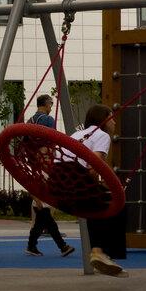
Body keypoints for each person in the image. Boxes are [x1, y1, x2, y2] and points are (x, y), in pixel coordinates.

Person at [56, 104, 127, 277]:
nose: (115, 122)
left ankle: (98, 251)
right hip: (75, 179)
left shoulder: (76, 134)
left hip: (58, 183)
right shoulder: (102, 135)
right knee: (117, 205)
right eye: (112, 118)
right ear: (105, 119)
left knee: (94, 204)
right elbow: (93, 166)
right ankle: (102, 253)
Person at [26, 95, 75, 257]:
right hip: (43, 161)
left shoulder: (30, 121)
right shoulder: (48, 120)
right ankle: (62, 246)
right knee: (47, 218)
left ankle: (31, 245)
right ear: (46, 104)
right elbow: (53, 139)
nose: (51, 106)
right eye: (51, 103)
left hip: (33, 160)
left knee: (41, 221)